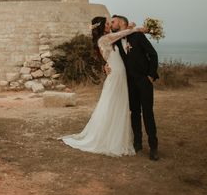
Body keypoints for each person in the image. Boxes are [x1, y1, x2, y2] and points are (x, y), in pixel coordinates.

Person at [58, 16, 148, 157]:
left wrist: (129, 26)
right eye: (107, 23)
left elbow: (122, 35)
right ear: (101, 26)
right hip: (116, 75)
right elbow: (120, 34)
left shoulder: (110, 39)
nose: (109, 25)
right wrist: (136, 29)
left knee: (119, 106)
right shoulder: (104, 40)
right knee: (112, 106)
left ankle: (118, 136)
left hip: (120, 75)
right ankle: (109, 138)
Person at [109, 15, 160, 161]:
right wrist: (105, 67)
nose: (112, 24)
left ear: (122, 22)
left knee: (148, 112)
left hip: (144, 80)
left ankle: (153, 147)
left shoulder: (138, 36)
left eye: (114, 21)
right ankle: (137, 143)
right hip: (129, 83)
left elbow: (153, 54)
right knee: (135, 113)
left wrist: (151, 75)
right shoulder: (117, 40)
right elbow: (109, 56)